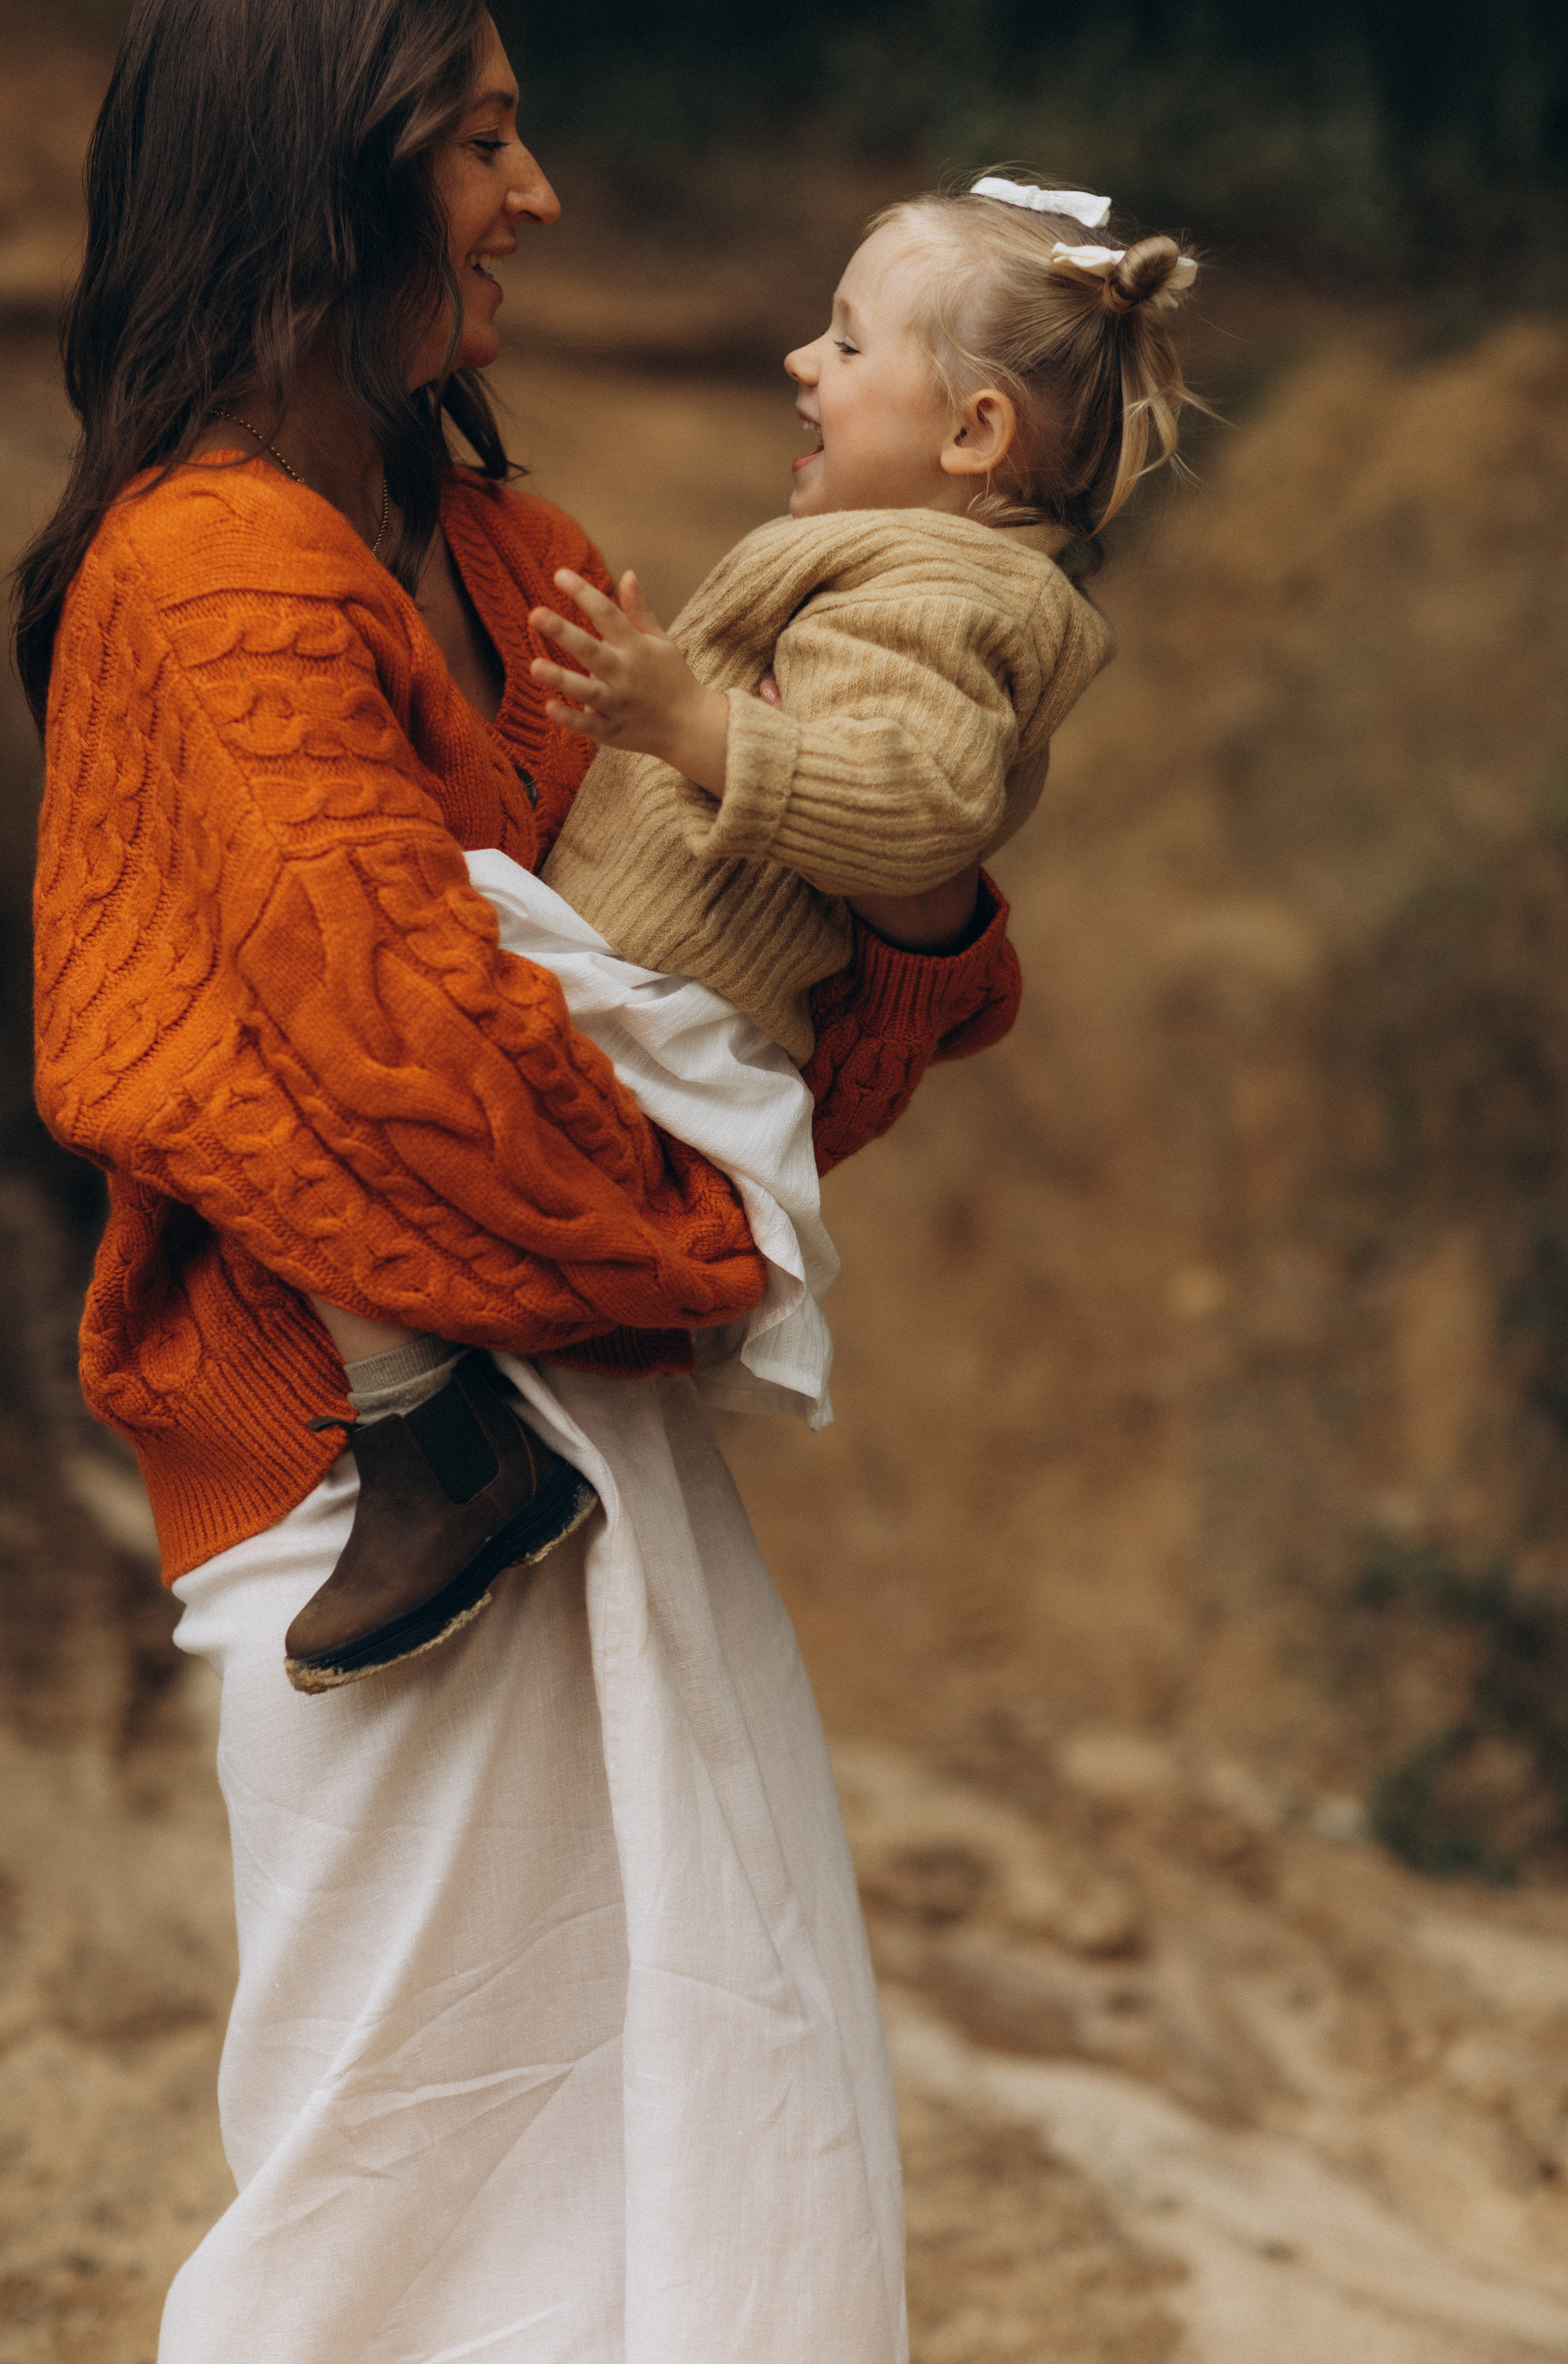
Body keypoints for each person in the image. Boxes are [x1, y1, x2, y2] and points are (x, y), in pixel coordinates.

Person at [15, 1, 1029, 2356]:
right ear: (323, 181)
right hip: (375, 1501)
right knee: (407, 2200)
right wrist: (705, 1243)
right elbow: (413, 1078)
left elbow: (751, 1044)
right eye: (483, 138)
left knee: (700, 2143)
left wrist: (903, 905)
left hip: (609, 1450)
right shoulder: (204, 581)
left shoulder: (526, 558)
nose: (540, 189)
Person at [294, 174, 1201, 1692]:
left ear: (973, 436)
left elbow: (922, 807)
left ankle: (425, 1440)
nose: (802, 363)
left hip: (666, 1018)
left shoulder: (945, 595)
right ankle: (439, 1412)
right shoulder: (911, 567)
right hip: (636, 978)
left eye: (846, 346)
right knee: (348, 1009)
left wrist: (693, 722)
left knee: (327, 1046)